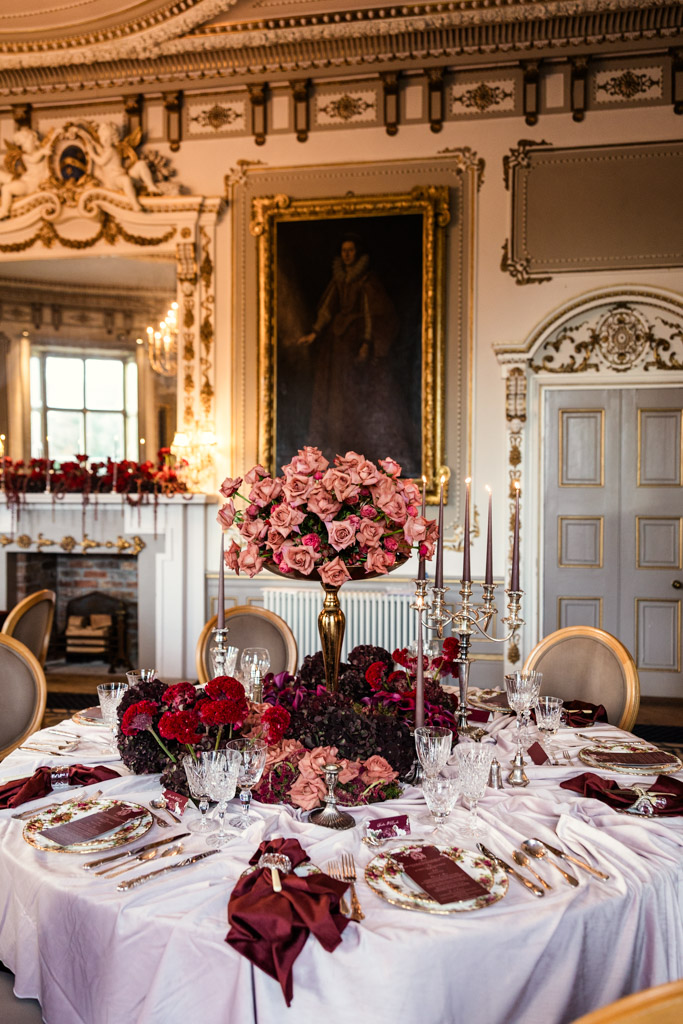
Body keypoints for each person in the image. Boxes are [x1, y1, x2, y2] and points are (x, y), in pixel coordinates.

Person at [297, 234, 405, 461]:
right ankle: (334, 447)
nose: (346, 254)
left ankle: (355, 450)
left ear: (358, 253)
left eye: (351, 250)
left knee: (354, 394)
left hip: (355, 342)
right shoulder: (339, 281)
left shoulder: (366, 281)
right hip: (337, 345)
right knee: (334, 395)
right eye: (343, 250)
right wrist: (314, 332)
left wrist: (366, 343)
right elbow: (327, 309)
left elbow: (370, 314)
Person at [0, 127, 53, 219]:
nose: (23, 147)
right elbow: (34, 159)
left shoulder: (39, 155)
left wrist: (44, 150)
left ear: (32, 139)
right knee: (6, 187)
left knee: (6, 188)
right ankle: (4, 210)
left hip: (29, 185)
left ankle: (4, 211)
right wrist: (43, 152)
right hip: (26, 184)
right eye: (21, 145)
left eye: (24, 143)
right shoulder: (26, 156)